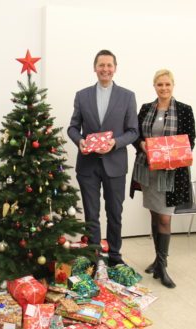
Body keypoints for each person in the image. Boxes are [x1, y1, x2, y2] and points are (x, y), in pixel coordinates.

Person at [68, 49, 138, 267]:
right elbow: (72, 128)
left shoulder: (127, 96)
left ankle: (115, 257)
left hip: (115, 165)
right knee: (91, 213)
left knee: (115, 212)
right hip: (88, 165)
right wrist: (79, 141)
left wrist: (114, 143)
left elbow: (133, 131)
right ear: (95, 68)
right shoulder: (82, 95)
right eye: (101, 65)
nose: (105, 69)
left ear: (115, 68)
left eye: (109, 65)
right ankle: (94, 257)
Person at [130, 69, 196, 288]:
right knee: (153, 214)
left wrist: (171, 154)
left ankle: (162, 266)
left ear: (173, 85)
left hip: (171, 173)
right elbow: (135, 134)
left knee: (165, 218)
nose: (164, 88)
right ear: (154, 86)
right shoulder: (146, 109)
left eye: (167, 84)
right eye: (160, 84)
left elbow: (190, 140)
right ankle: (157, 260)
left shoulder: (185, 110)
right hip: (148, 170)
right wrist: (142, 145)